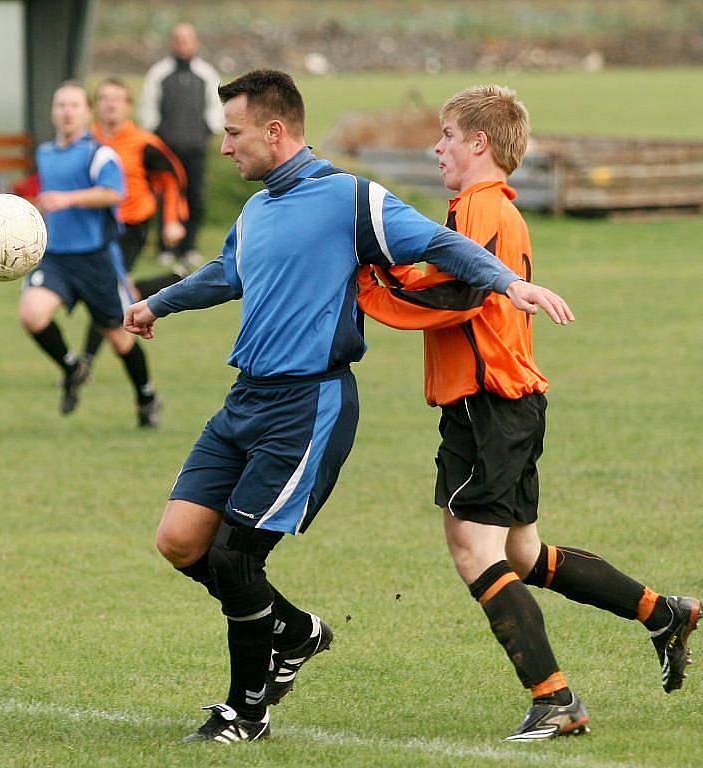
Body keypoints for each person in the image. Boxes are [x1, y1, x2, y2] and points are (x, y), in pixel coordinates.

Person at [124, 69, 573, 745]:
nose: (224, 148)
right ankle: (297, 632)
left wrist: (509, 282)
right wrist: (158, 302)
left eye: (234, 133)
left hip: (308, 403)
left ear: (275, 133)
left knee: (237, 560)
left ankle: (246, 715)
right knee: (181, 541)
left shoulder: (350, 199)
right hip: (244, 398)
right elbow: (226, 275)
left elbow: (440, 243)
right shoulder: (256, 211)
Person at [356, 84, 703, 741]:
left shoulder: (483, 208)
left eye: (449, 137)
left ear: (479, 143)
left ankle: (556, 700)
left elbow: (459, 293)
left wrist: (371, 288)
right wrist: (389, 272)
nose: (438, 148)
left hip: (488, 405)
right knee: (521, 553)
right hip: (506, 402)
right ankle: (662, 613)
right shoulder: (482, 209)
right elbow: (447, 278)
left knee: (473, 550)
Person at [19, 81, 162, 428]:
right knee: (32, 314)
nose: (67, 111)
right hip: (55, 257)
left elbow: (114, 193)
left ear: (87, 113)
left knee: (119, 338)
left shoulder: (99, 154)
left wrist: (69, 199)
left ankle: (146, 396)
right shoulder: (46, 153)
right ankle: (72, 368)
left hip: (95, 259)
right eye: (61, 105)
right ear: (53, 112)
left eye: (74, 105)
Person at [81, 77, 189, 370]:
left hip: (131, 225)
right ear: (94, 106)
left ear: (128, 106)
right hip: (95, 228)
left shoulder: (144, 143)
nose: (110, 104)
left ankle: (85, 362)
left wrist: (171, 221)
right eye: (103, 98)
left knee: (107, 287)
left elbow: (172, 178)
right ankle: (174, 281)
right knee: (118, 289)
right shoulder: (86, 141)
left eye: (117, 98)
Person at [138, 22, 223, 270]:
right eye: (178, 40)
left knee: (195, 196)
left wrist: (206, 132)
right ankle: (166, 248)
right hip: (167, 150)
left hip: (195, 149)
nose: (183, 45)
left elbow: (215, 109)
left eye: (187, 40)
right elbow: (148, 109)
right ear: (172, 43)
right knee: (166, 196)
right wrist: (158, 135)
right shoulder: (159, 73)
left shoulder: (206, 73)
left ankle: (190, 246)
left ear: (195, 43)